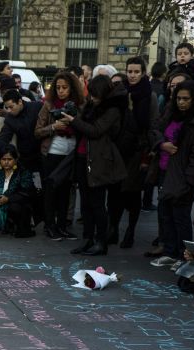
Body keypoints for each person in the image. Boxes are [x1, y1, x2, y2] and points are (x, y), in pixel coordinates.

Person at [60, 74, 128, 256]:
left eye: (96, 95)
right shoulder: (91, 106)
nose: (93, 98)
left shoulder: (112, 109)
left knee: (97, 203)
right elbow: (83, 127)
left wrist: (75, 121)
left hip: (99, 160)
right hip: (83, 157)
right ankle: (88, 239)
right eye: (91, 95)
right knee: (86, 204)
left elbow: (96, 130)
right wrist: (72, 120)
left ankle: (101, 241)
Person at [149, 81, 194, 268]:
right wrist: (161, 144)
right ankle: (171, 252)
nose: (181, 102)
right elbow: (155, 130)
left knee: (180, 216)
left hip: (183, 175)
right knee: (165, 213)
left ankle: (184, 256)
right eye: (178, 98)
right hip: (165, 170)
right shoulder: (171, 113)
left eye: (185, 99)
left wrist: (189, 180)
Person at [108, 56, 159, 248]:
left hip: (138, 151)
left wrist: (148, 152)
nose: (133, 75)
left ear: (143, 73)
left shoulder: (150, 95)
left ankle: (130, 231)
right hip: (118, 149)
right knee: (114, 194)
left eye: (137, 72)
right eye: (130, 71)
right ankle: (112, 230)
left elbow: (153, 125)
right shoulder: (120, 91)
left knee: (132, 194)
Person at [34, 70, 84, 241]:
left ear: (72, 89)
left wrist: (74, 122)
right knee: (50, 191)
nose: (61, 91)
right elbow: (38, 131)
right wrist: (54, 127)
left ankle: (62, 226)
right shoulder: (48, 105)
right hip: (51, 152)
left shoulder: (78, 106)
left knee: (65, 192)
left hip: (71, 153)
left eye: (65, 87)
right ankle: (50, 226)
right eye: (58, 87)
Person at [0, 145, 35, 237]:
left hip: (18, 204)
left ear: (16, 160)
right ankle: (4, 225)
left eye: (10, 159)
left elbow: (27, 193)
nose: (6, 162)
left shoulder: (23, 173)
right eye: (3, 159)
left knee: (14, 207)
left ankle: (17, 226)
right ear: (0, 160)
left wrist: (7, 199)